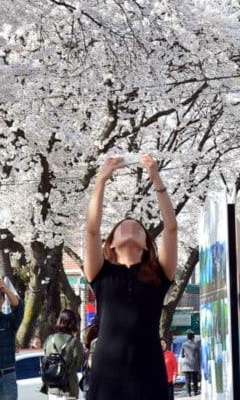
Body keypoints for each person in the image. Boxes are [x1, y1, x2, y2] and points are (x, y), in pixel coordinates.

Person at [83, 153, 178, 400]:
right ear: (110, 244)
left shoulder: (158, 273)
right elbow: (92, 230)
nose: (130, 224)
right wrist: (102, 179)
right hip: (106, 374)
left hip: (148, 372)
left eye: (137, 227)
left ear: (146, 245)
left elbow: (171, 228)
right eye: (122, 226)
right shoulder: (101, 274)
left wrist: (155, 176)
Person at [42, 309, 84, 399]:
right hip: (68, 389)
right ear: (73, 323)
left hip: (52, 388)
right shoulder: (74, 342)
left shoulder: (50, 339)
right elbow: (80, 363)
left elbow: (46, 356)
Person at [179, 330, 201, 396]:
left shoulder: (184, 344)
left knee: (187, 379)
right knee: (195, 379)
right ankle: (195, 392)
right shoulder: (196, 344)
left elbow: (182, 354)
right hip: (194, 364)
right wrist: (199, 364)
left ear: (187, 337)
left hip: (186, 364)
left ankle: (188, 393)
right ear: (193, 337)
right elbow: (199, 355)